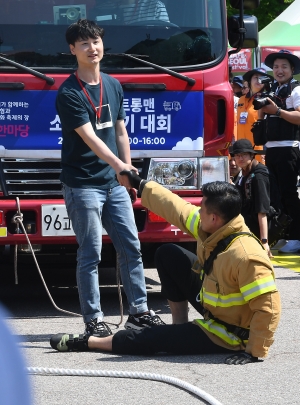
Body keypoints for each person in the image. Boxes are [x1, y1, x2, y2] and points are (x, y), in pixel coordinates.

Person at [50, 176, 281, 365]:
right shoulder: (210, 228)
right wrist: (138, 183)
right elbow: (175, 207)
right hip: (216, 308)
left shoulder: (246, 255)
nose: (197, 212)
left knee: (152, 339)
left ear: (214, 217)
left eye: (201, 209)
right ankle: (180, 327)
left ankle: (88, 342)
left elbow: (268, 308)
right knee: (168, 253)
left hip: (228, 333)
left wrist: (254, 351)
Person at [56, 19, 164, 338]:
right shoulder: (69, 92)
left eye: (97, 42)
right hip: (83, 183)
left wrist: (127, 172)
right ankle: (93, 318)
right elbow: (91, 138)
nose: (93, 48)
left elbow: (120, 131)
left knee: (131, 246)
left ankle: (140, 312)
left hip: (114, 183)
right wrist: (120, 166)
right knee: (91, 252)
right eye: (85, 43)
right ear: (72, 50)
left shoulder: (113, 84)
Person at [254, 49, 300, 253]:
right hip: (271, 149)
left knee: (289, 193)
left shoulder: (295, 89)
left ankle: (297, 236)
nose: (279, 70)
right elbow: (261, 117)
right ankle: (283, 233)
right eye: (276, 67)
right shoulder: (272, 90)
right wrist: (262, 111)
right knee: (276, 195)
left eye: (284, 66)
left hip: (289, 148)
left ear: (292, 69)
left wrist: (278, 111)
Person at [231, 139, 273, 258]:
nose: (240, 158)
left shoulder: (259, 176)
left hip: (263, 224)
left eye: (244, 155)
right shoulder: (245, 174)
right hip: (251, 220)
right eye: (237, 155)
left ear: (252, 155)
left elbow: (262, 209)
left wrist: (264, 242)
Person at [237, 67, 273, 164]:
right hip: (241, 148)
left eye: (262, 78)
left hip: (259, 149)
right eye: (255, 77)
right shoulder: (241, 99)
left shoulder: (267, 100)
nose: (258, 80)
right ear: (250, 80)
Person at [90, 0, 169, 24]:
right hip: (112, 55)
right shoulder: (101, 9)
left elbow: (166, 38)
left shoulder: (155, 6)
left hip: (148, 57)